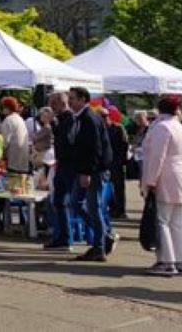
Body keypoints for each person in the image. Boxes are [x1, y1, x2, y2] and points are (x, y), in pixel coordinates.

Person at [140, 95, 182, 276]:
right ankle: (180, 259)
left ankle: (166, 260)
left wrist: (150, 180)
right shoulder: (181, 128)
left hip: (166, 175)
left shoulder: (162, 127)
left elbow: (157, 157)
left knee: (162, 220)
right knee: (176, 221)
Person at [67, 87, 114, 262]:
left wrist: (86, 172)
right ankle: (104, 236)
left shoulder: (89, 118)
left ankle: (99, 247)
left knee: (93, 207)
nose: (70, 102)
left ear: (82, 99)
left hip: (93, 171)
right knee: (76, 204)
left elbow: (94, 148)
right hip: (85, 169)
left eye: (72, 98)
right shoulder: (80, 118)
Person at [43, 91, 75, 251]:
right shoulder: (62, 120)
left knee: (72, 203)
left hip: (68, 166)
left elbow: (68, 142)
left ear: (61, 103)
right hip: (62, 164)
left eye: (52, 104)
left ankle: (105, 235)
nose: (51, 108)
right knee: (59, 202)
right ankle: (63, 237)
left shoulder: (69, 119)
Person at [0, 97, 30, 176]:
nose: (2, 109)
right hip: (23, 158)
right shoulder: (20, 118)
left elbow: (4, 141)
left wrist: (0, 156)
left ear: (7, 108)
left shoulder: (8, 120)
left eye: (3, 107)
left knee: (12, 184)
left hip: (13, 157)